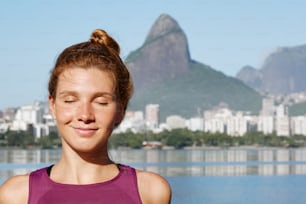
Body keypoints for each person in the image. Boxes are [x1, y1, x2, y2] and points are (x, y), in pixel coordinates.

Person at [0, 29, 171, 204]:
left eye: (101, 102)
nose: (85, 115)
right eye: (70, 100)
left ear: (121, 109)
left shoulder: (150, 192)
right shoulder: (16, 195)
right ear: (52, 105)